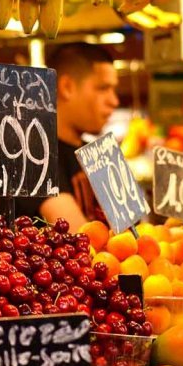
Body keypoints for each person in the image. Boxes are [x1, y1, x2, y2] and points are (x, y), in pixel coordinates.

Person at [17, 43, 120, 228]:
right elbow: (79, 238)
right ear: (67, 87)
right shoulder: (32, 154)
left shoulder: (97, 153)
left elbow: (133, 230)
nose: (114, 101)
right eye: (103, 88)